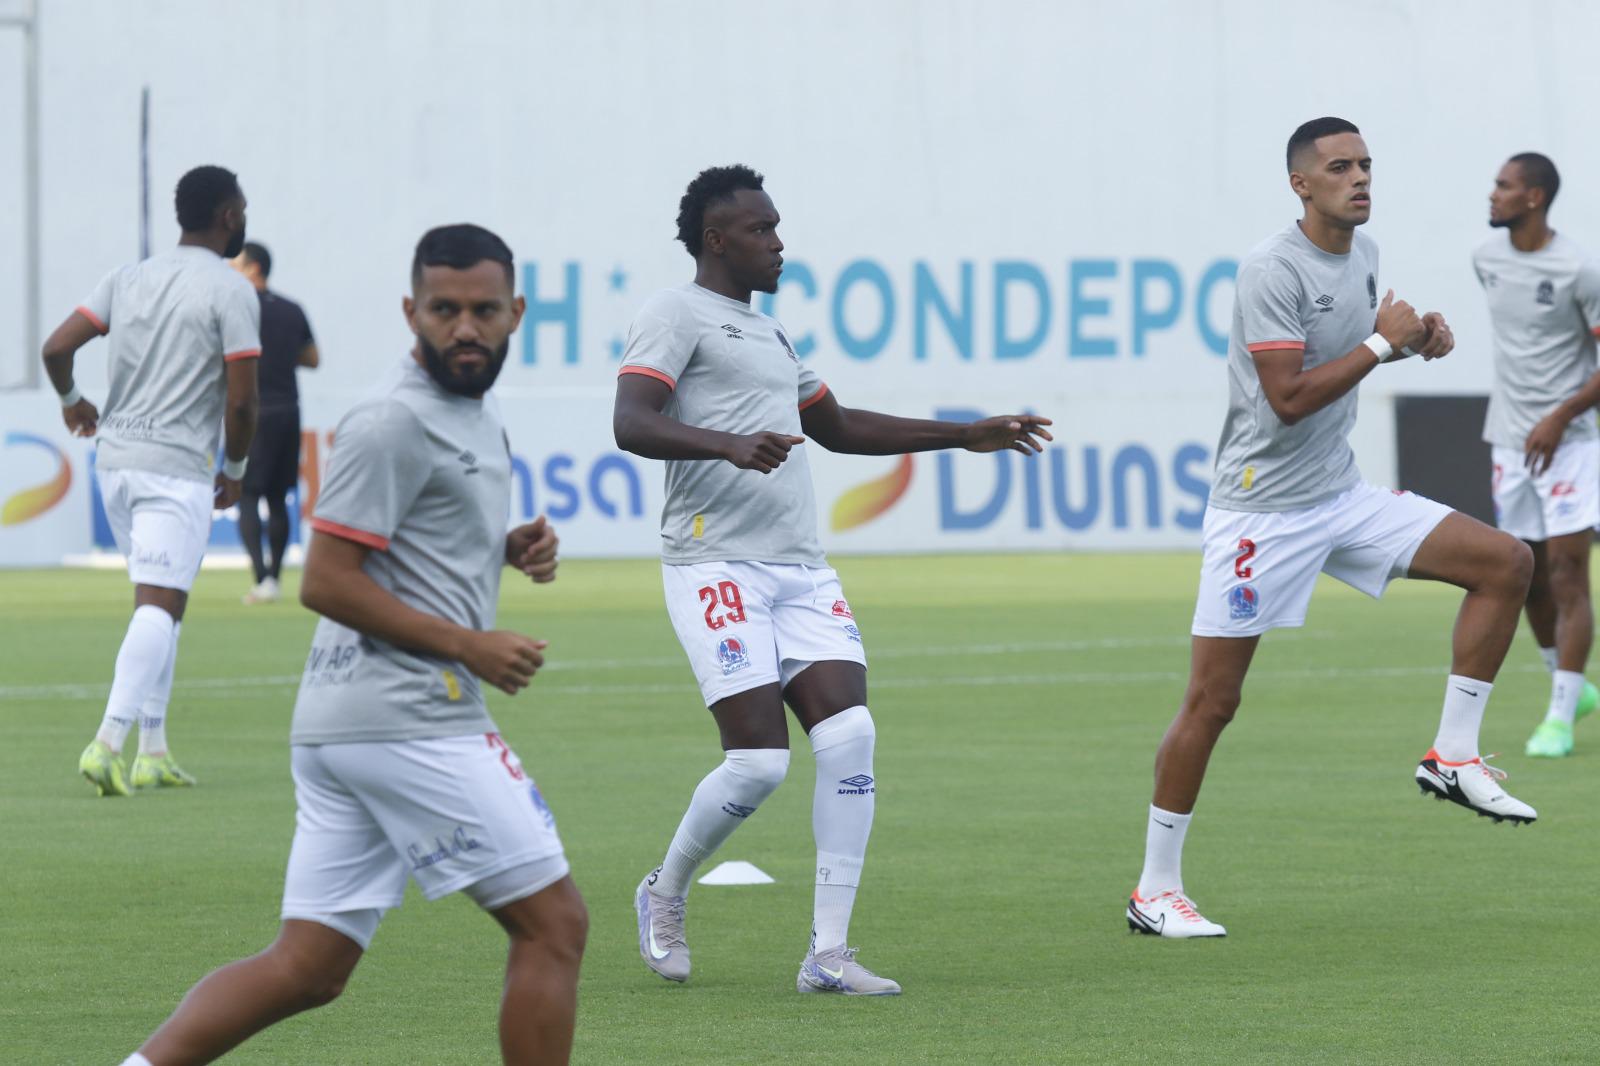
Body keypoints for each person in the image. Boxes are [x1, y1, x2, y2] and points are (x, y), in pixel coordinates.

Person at [117, 224, 586, 1066]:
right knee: (554, 926)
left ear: (517, 312)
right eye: (445, 310)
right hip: (408, 718)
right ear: (412, 310)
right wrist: (470, 647)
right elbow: (325, 580)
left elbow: (408, 542)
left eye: (483, 310)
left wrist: (503, 546)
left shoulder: (469, 412)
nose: (465, 328)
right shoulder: (390, 419)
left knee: (308, 966)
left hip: (343, 727)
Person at [615, 164, 1052, 995]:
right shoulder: (673, 314)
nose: (778, 243)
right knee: (757, 766)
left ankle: (827, 954)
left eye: (777, 227)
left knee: (851, 738)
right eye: (760, 230)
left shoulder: (773, 335)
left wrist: (966, 435)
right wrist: (728, 445)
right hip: (714, 560)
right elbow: (631, 423)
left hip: (799, 569)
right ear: (717, 240)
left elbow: (841, 427)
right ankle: (663, 891)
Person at [1125, 118, 1539, 940]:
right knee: (1213, 701)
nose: (1359, 178)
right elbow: (1288, 399)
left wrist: (1415, 341)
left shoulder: (1366, 254)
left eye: (1365, 165)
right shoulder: (1269, 270)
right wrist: (1385, 343)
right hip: (1261, 513)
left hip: (1338, 497)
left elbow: (1359, 347)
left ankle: (1452, 756)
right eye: (1339, 167)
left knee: (1506, 562)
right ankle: (1154, 890)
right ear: (1300, 184)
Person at [43, 164, 260, 796]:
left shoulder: (128, 277)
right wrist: (237, 469)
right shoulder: (231, 289)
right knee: (157, 607)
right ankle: (108, 742)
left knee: (166, 604)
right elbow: (243, 404)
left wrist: (73, 399)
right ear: (227, 216)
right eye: (241, 209)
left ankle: (154, 749)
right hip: (174, 469)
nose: (244, 218)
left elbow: (56, 348)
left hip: (114, 463)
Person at [1475, 152, 1600, 758]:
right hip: (1509, 441)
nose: (1492, 194)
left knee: (1568, 573)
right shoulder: (1487, 260)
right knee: (1524, 573)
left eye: (1503, 186)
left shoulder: (1579, 269)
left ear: (1534, 197)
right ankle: (1569, 684)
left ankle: (1557, 718)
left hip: (1571, 444)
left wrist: (1560, 416)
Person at [231, 240, 320, 605]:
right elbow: (313, 358)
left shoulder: (237, 309)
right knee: (278, 497)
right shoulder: (291, 309)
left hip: (252, 409)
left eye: (236, 264)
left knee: (248, 493)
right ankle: (277, 578)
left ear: (254, 268)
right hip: (289, 410)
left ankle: (261, 578)